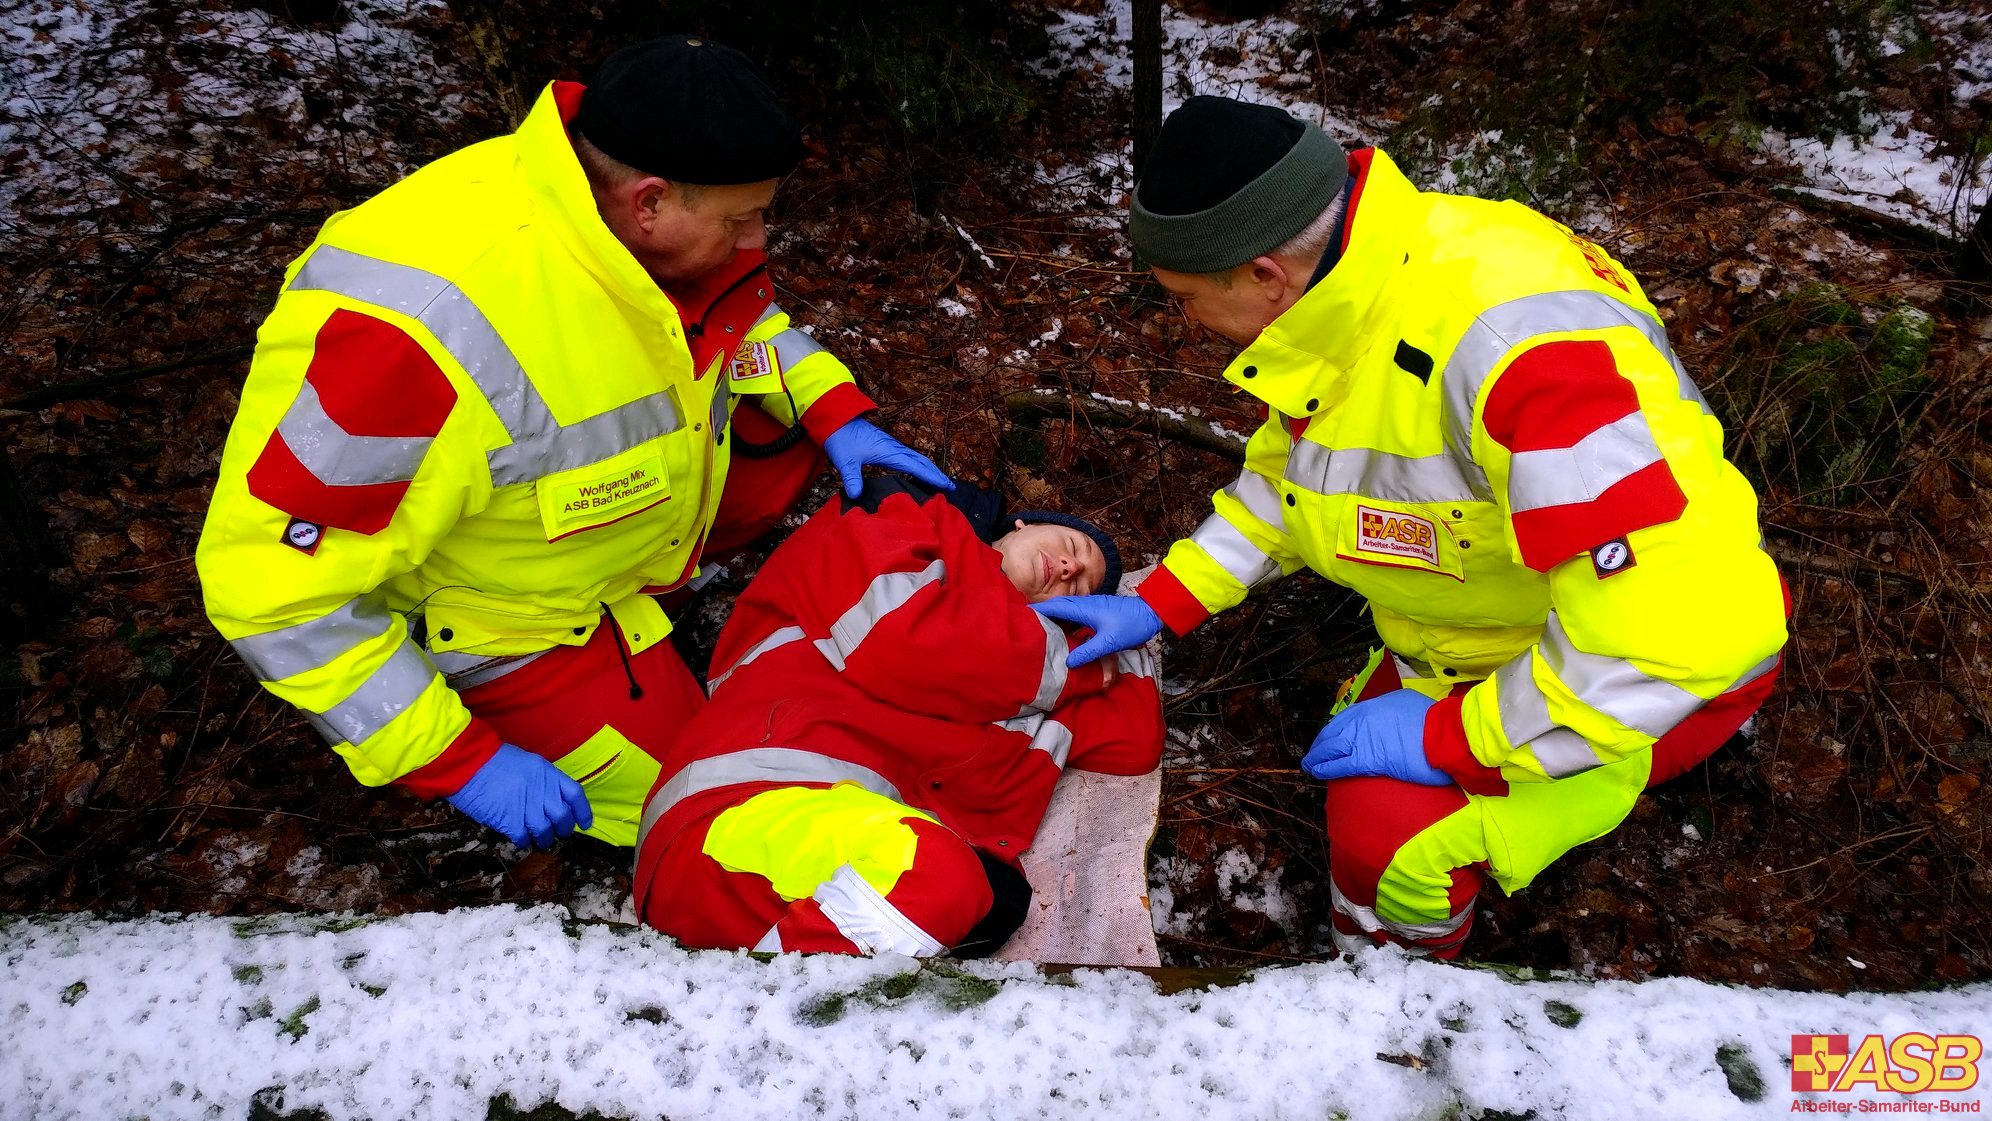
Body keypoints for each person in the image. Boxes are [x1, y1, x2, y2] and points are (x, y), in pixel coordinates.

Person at [1033, 96, 1788, 958]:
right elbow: (1304, 476)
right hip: (1481, 633)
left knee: (1389, 843)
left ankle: (1397, 987)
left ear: (1264, 274)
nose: (1185, 322)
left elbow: (1675, 633)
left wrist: (1451, 736)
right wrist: (1165, 599)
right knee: (1365, 786)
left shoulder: (1518, 354)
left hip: (1641, 674)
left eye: (1185, 297)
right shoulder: (1357, 290)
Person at [194, 35, 951, 850]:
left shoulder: (607, 214)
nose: (757, 241)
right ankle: (535, 700)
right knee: (706, 806)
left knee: (782, 429)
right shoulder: (415, 340)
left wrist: (837, 411)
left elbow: (721, 325)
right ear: (650, 202)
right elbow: (272, 589)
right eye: (741, 218)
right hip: (508, 623)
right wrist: (460, 759)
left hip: (594, 547)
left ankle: (666, 593)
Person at [632, 477, 1163, 956]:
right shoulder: (899, 525)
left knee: (994, 898)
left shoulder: (1010, 688)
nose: (1069, 569)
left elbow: (1132, 743)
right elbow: (903, 643)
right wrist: (1075, 669)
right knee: (941, 880)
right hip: (731, 816)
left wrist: (1130, 632)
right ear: (1021, 524)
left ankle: (764, 1003)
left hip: (811, 865)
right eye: (1072, 548)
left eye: (1080, 589)